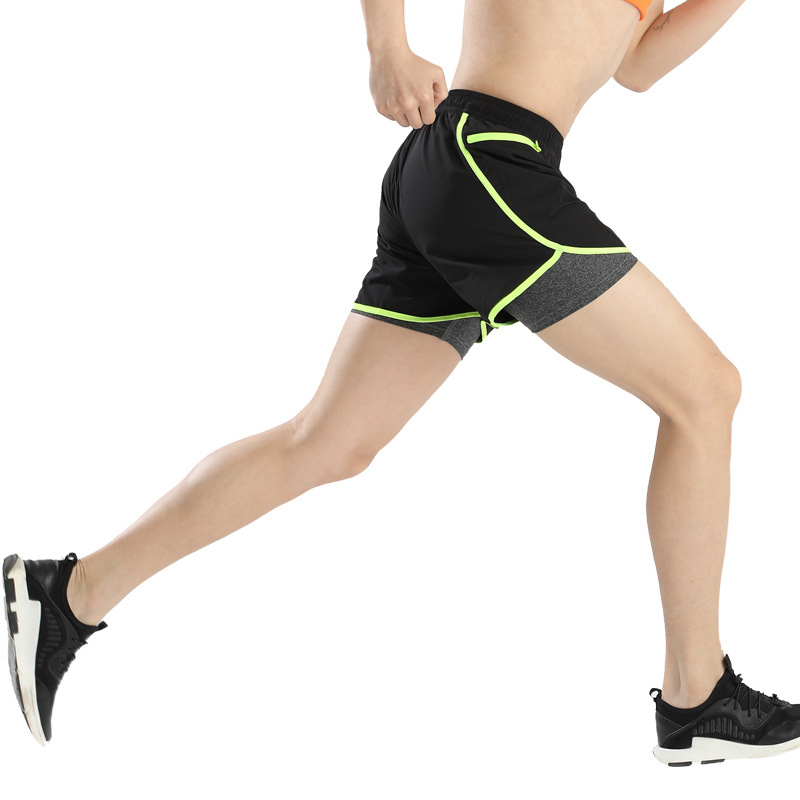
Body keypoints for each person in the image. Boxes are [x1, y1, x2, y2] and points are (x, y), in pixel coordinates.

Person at [3, 0, 798, 767]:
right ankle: (697, 696)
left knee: (327, 442)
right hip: (491, 164)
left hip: (477, 173)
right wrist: (387, 46)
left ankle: (69, 594)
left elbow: (639, 64)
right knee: (704, 393)